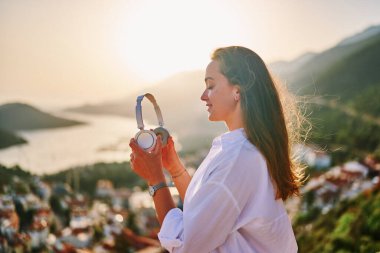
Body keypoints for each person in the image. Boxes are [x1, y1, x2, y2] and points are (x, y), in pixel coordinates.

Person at [129, 46, 305, 253]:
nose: (203, 96)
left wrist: (155, 180)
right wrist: (173, 166)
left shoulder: (238, 158)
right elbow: (206, 211)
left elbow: (187, 245)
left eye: (211, 86)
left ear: (237, 91)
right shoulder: (246, 149)